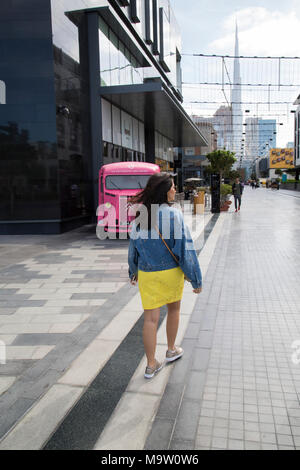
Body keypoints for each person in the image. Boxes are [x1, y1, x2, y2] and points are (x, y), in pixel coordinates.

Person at [128, 173, 202, 379]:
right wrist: (195, 278)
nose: (175, 190)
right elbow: (185, 250)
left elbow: (133, 249)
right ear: (164, 190)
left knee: (150, 319)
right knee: (174, 309)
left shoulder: (141, 216)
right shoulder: (174, 215)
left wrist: (133, 271)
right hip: (171, 272)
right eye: (172, 187)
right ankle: (171, 349)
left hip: (147, 274)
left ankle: (151, 365)